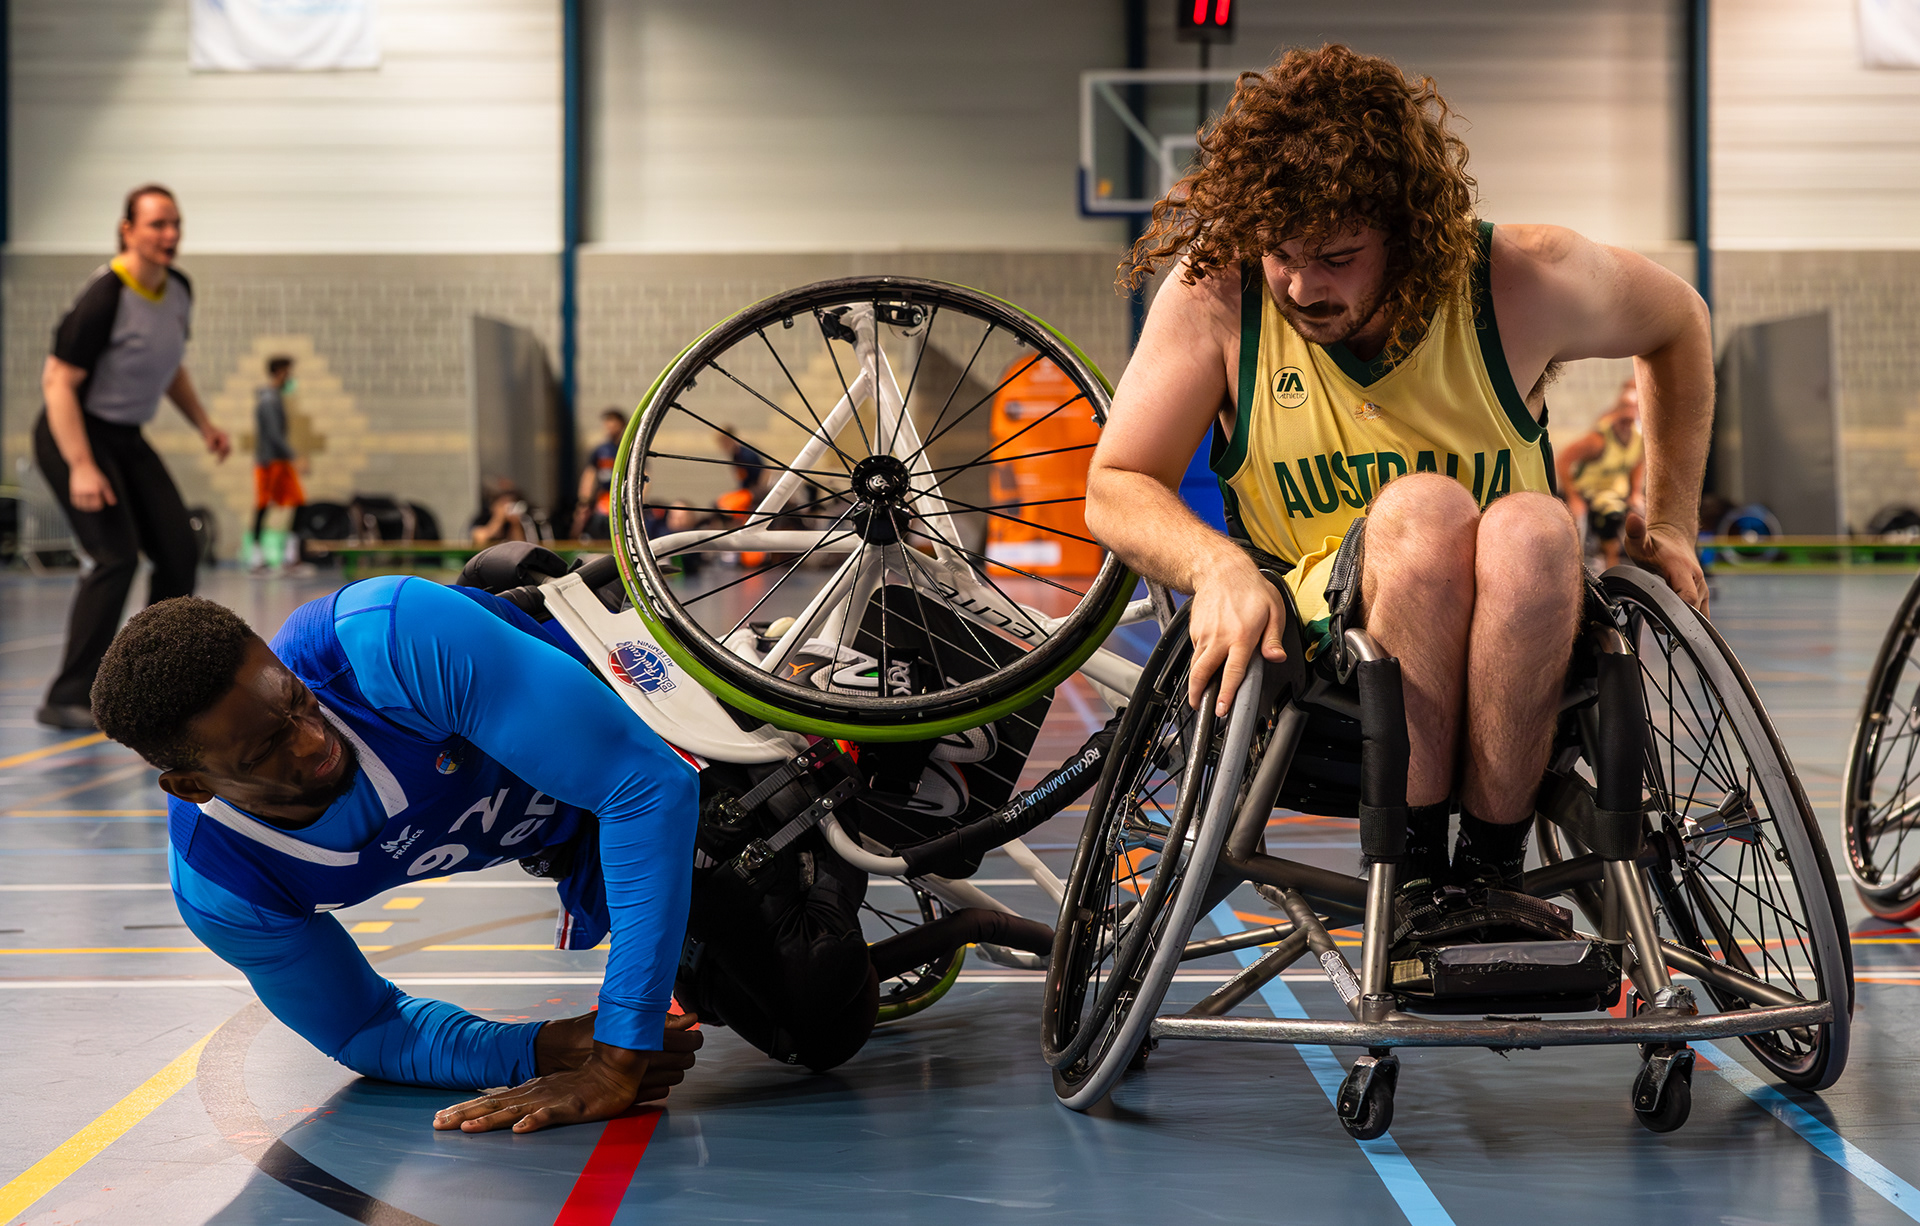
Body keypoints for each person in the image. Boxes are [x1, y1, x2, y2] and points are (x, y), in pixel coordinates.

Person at [1084, 46, 1710, 907]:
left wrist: (1670, 520)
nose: (1303, 286)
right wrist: (1216, 567)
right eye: (1283, 254)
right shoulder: (1218, 299)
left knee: (1534, 527)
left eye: (1338, 256)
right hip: (1320, 662)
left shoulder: (1516, 279)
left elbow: (1680, 322)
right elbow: (1115, 481)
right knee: (1424, 510)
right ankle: (1416, 871)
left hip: (1520, 658)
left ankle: (1489, 871)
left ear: (1408, 237)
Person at [89, 579, 702, 1133]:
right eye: (266, 748)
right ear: (194, 787)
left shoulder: (385, 642)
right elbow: (361, 1025)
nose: (313, 739)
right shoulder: (224, 880)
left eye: (298, 699)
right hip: (589, 835)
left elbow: (647, 786)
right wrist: (540, 1049)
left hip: (680, 721)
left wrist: (618, 1053)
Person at [31, 184, 231, 730]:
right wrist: (80, 465)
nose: (169, 236)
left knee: (178, 549)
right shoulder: (105, 296)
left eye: (175, 224)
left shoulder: (179, 289)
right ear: (128, 230)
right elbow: (57, 383)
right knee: (114, 556)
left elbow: (171, 368)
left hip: (125, 436)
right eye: (156, 225)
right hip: (72, 433)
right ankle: (66, 694)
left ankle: (154, 682)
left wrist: (205, 424)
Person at [1557, 378, 1646, 570]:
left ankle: (1642, 571)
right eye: (1626, 407)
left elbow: (1636, 464)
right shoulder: (1599, 438)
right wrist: (1573, 497)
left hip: (1615, 494)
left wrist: (1635, 492)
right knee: (1589, 523)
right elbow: (1564, 460)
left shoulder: (1639, 438)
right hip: (1590, 493)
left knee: (1644, 513)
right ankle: (1581, 570)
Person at [249, 356, 306, 573]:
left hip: (279, 462)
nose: (291, 377)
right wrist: (295, 457)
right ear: (280, 372)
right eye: (288, 372)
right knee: (263, 507)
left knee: (299, 503)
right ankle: (257, 559)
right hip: (269, 463)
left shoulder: (275, 399)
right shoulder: (269, 401)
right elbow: (274, 435)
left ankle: (291, 557)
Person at [571, 409, 626, 541]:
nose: (609, 428)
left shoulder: (628, 449)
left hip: (623, 499)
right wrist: (584, 501)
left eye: (613, 424)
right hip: (603, 500)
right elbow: (589, 475)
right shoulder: (600, 450)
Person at [470, 479, 535, 548]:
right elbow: (480, 539)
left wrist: (515, 525)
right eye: (502, 504)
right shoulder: (483, 518)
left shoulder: (521, 522)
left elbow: (520, 546)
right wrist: (498, 519)